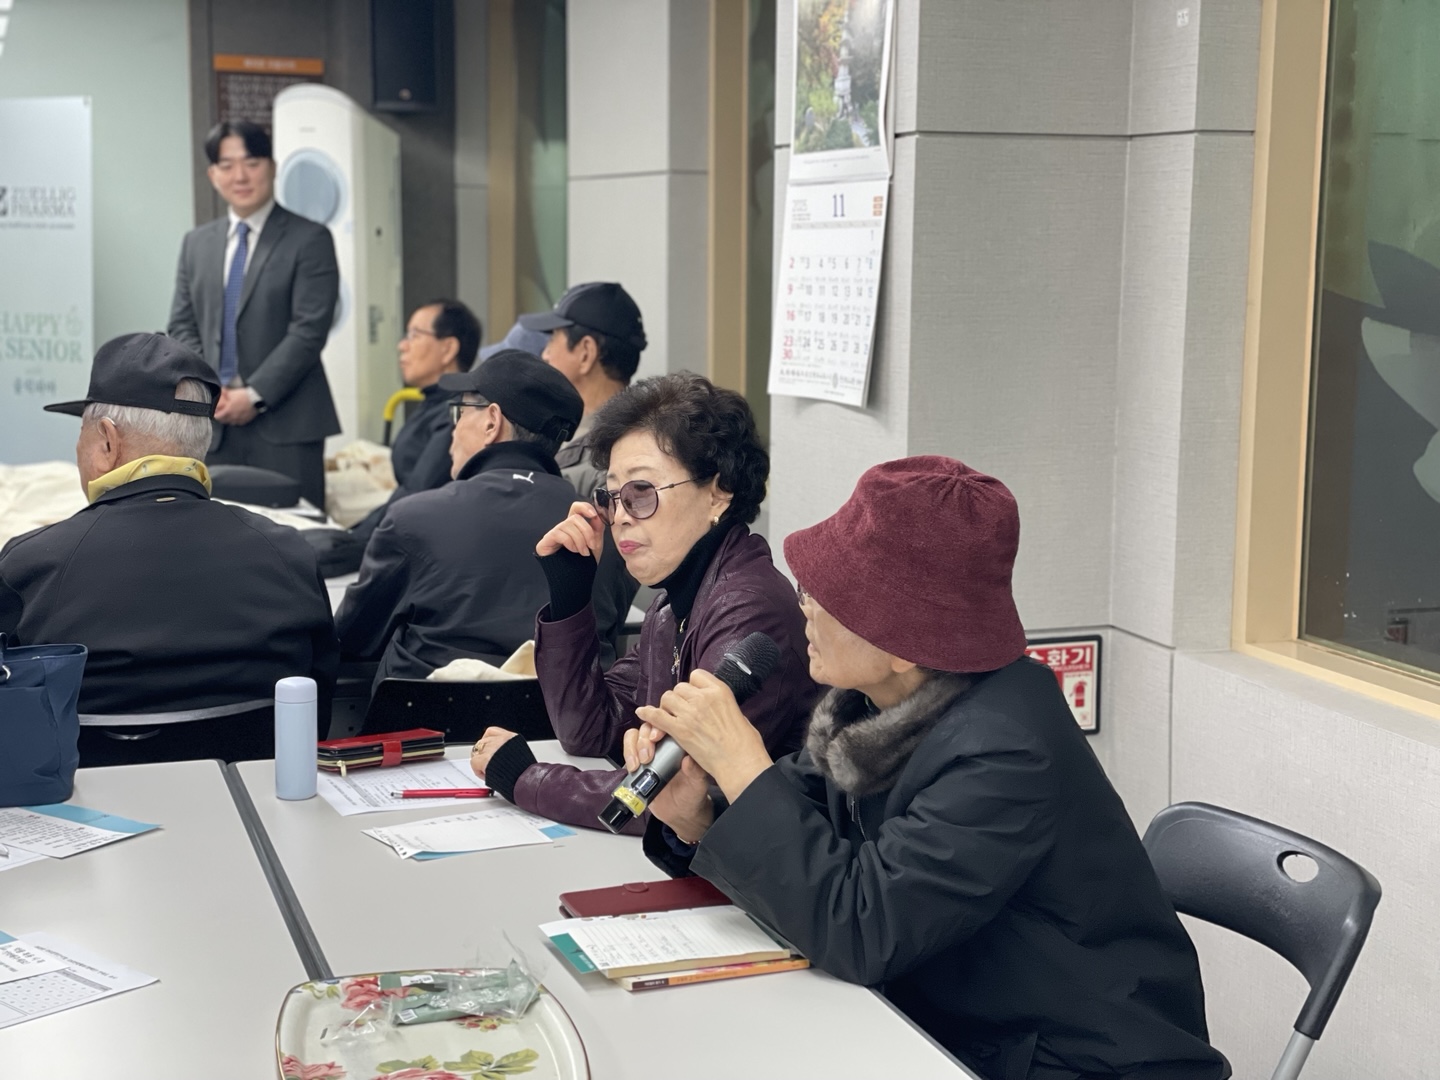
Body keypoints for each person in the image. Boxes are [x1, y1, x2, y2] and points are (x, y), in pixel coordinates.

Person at [624, 457, 1232, 1080]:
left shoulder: (1007, 752)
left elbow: (863, 927)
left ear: (903, 641)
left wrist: (744, 764)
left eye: (825, 592)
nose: (804, 605)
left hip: (1073, 1058)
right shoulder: (875, 705)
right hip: (952, 1027)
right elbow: (811, 845)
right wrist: (699, 813)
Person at [469, 372, 820, 834]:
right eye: (611, 497)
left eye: (640, 494)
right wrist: (571, 596)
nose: (619, 518)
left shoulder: (749, 609)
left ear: (718, 493)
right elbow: (590, 730)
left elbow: (674, 795)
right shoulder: (672, 603)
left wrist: (524, 778)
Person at [0, 333, 338, 737]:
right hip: (252, 775)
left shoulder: (31, 566)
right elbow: (320, 701)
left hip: (82, 777)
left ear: (107, 441)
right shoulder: (288, 555)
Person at [334, 350, 585, 692]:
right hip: (560, 721)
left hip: (423, 720)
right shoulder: (597, 527)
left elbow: (354, 640)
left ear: (491, 422)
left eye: (460, 412)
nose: (453, 431)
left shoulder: (415, 519)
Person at [168, 120, 340, 509]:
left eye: (251, 162)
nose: (240, 176)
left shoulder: (310, 239)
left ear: (272, 167)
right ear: (213, 175)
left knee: (294, 532)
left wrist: (255, 394)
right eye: (226, 165)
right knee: (212, 533)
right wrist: (211, 389)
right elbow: (181, 324)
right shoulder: (196, 243)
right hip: (212, 424)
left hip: (287, 423)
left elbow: (309, 330)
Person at [522, 282, 649, 663]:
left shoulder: (610, 462)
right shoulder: (574, 436)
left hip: (572, 657)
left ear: (586, 352)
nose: (544, 354)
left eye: (554, 340)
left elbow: (600, 598)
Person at [349, 299, 483, 546]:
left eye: (414, 335)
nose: (402, 346)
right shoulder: (432, 403)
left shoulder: (457, 413)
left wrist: (351, 542)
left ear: (448, 349)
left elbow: (415, 494)